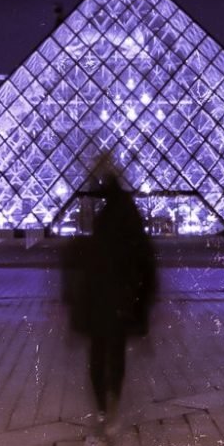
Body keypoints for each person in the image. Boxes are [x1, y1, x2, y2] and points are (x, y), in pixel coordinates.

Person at [62, 170, 158, 430]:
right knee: (114, 355)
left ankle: (103, 407)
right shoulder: (128, 219)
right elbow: (144, 263)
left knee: (98, 355)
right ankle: (111, 401)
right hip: (119, 301)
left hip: (99, 301)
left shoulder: (105, 221)